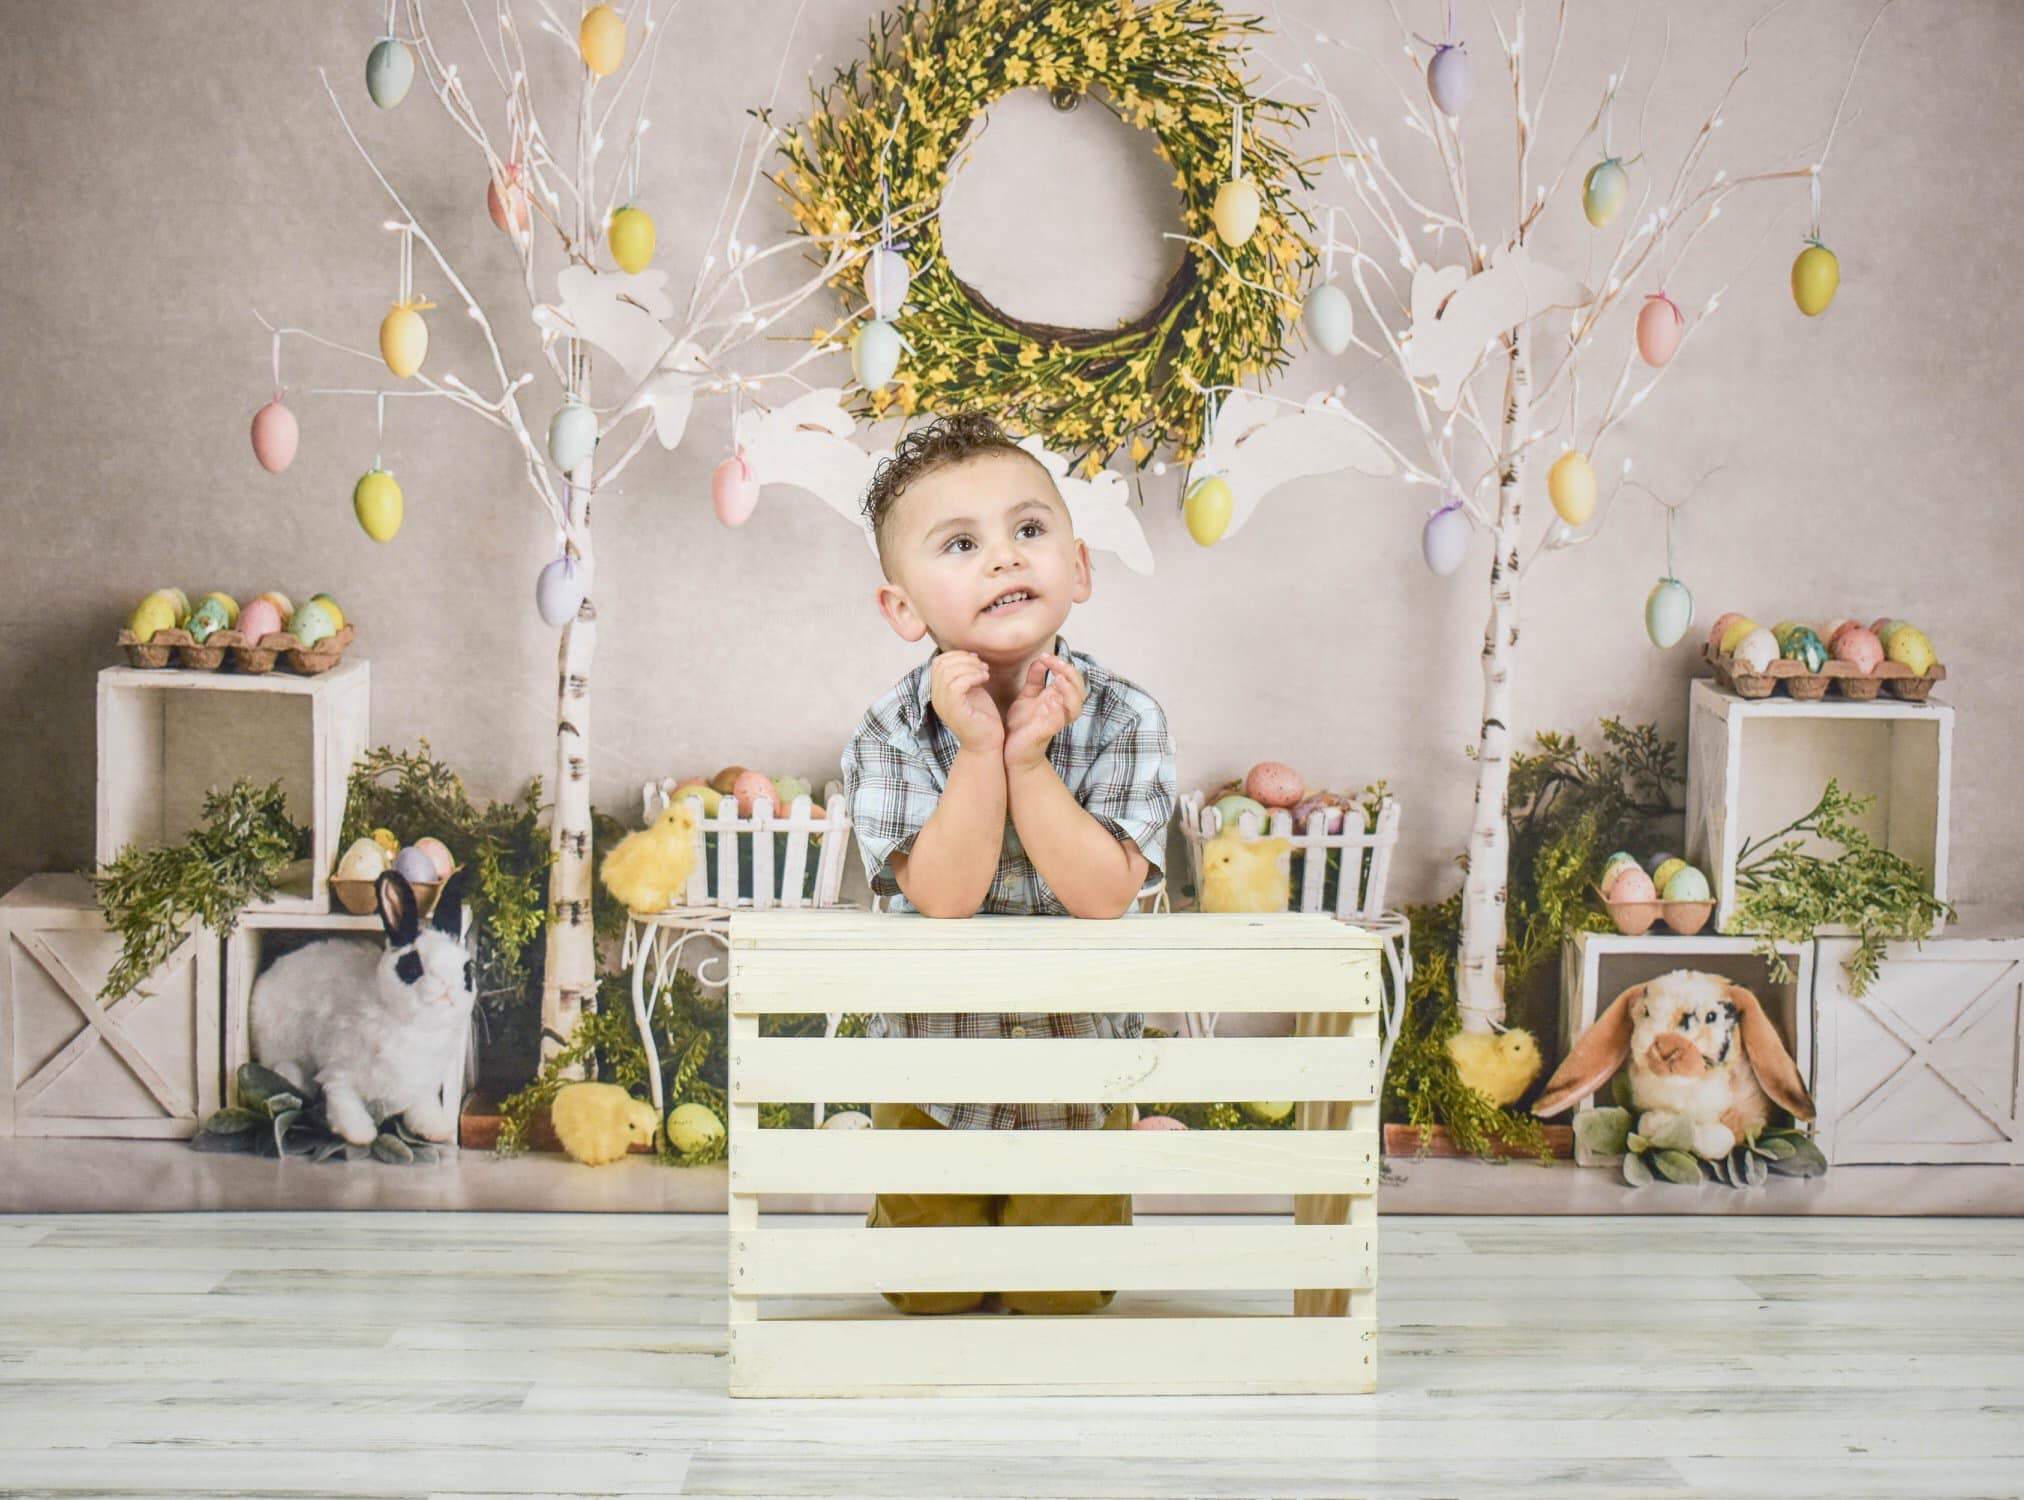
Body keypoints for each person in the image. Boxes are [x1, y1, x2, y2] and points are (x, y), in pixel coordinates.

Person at [840, 410, 1179, 1315]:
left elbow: (1104, 895)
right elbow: (944, 898)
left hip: (1078, 1071)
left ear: (1080, 567)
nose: (1004, 559)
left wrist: (1031, 764)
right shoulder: (889, 732)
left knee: (1061, 1297)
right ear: (904, 609)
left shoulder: (1127, 718)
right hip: (930, 1068)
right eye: (962, 544)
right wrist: (981, 752)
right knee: (928, 1296)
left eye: (1029, 530)